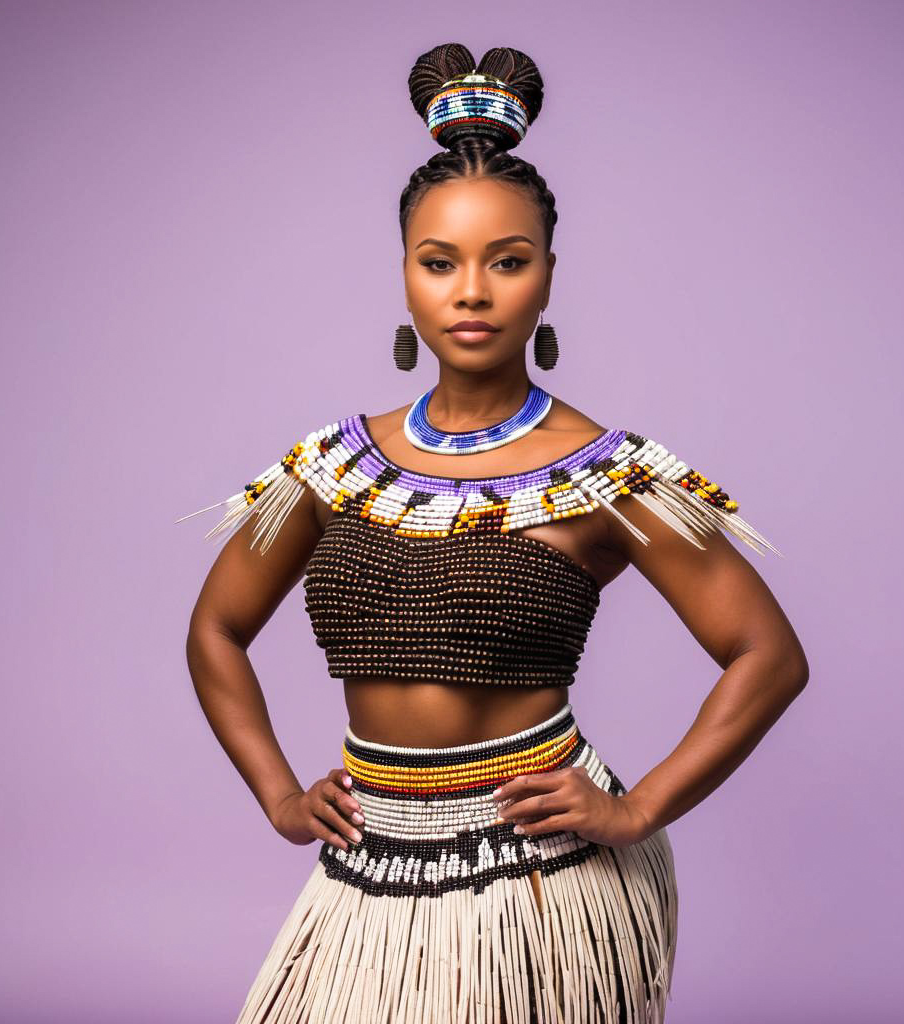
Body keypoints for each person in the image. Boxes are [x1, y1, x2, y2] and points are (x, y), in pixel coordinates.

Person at [179, 42, 809, 1024]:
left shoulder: (604, 473)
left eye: (505, 261)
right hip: (369, 858)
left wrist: (636, 808)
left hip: (537, 876)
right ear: (404, 275)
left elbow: (766, 656)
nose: (470, 291)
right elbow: (213, 631)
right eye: (439, 262)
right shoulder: (333, 466)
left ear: (547, 277)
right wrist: (275, 793)